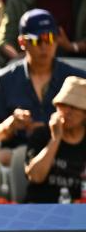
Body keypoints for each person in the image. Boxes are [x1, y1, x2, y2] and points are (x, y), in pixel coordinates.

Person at [0, 9, 86, 161]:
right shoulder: (5, 80)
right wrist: (9, 126)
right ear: (22, 43)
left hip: (68, 156)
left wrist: (54, 128)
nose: (44, 46)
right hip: (18, 156)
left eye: (50, 38)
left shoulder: (78, 78)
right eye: (36, 40)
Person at [25, 75, 86, 203]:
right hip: (40, 208)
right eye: (63, 105)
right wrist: (55, 139)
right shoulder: (41, 135)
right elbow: (35, 176)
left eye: (74, 107)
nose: (67, 111)